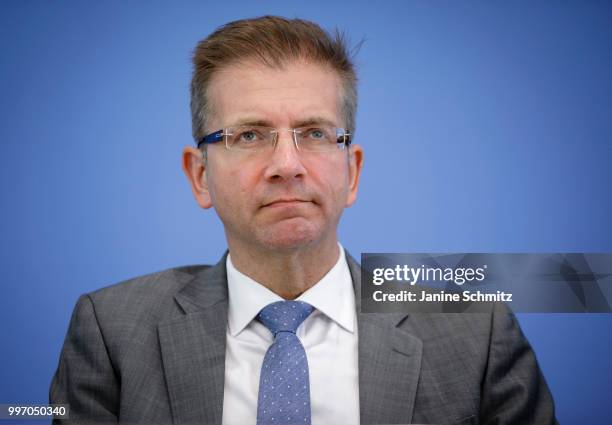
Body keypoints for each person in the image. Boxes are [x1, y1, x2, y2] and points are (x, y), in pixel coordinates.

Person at [50, 15, 557, 425]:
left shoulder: (476, 331)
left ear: (351, 172)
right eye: (249, 135)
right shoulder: (112, 330)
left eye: (315, 133)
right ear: (199, 175)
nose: (287, 165)